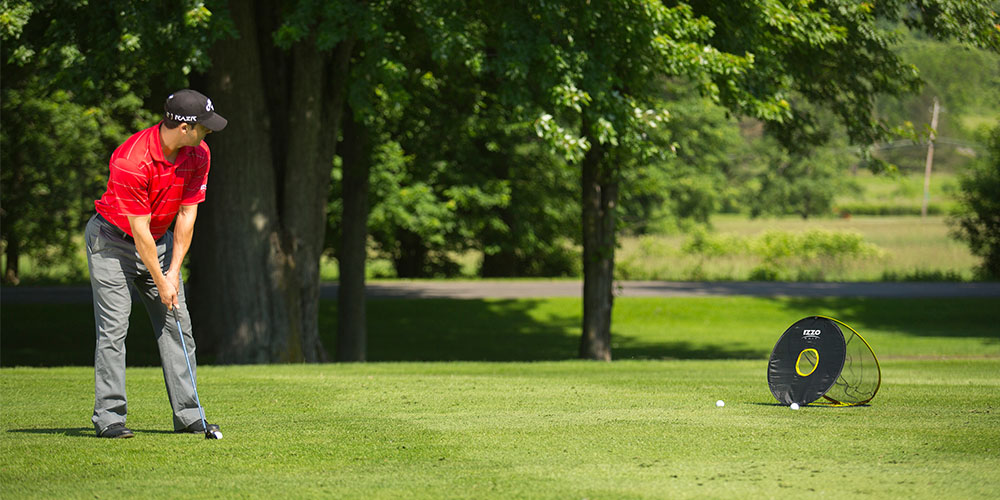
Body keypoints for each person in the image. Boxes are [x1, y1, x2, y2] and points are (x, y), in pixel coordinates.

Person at [85, 89, 227, 438]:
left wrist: (174, 271)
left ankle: (190, 415)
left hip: (160, 242)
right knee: (114, 329)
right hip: (112, 244)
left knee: (178, 324)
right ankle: (110, 418)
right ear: (183, 127)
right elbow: (138, 230)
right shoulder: (131, 160)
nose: (208, 133)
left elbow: (187, 215)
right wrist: (159, 280)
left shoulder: (199, 155)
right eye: (203, 127)